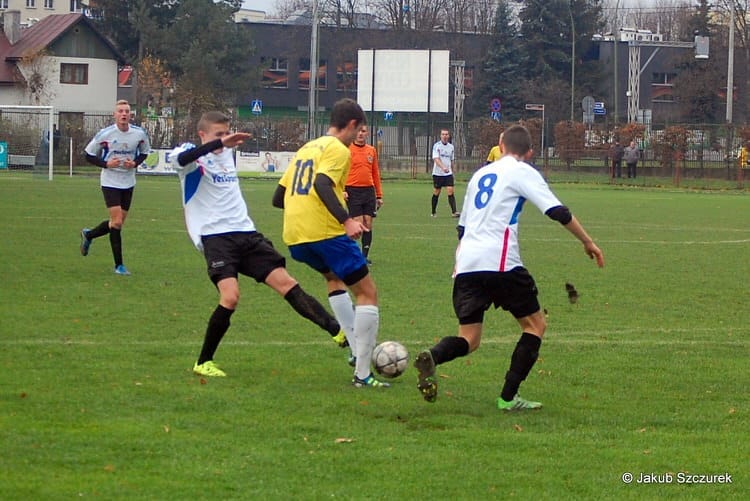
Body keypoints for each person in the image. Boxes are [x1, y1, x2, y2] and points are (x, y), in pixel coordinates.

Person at [414, 124, 605, 410]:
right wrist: (588, 241)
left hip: (466, 263)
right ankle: (508, 398)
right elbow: (557, 211)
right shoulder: (522, 171)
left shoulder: (480, 175)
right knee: (535, 324)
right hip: (501, 262)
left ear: (501, 146)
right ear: (528, 153)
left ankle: (433, 355)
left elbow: (462, 226)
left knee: (469, 338)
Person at [169, 111, 347, 378]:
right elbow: (182, 159)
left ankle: (337, 331)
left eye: (227, 133)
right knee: (230, 296)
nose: (225, 139)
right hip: (216, 238)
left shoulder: (226, 155)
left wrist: (222, 146)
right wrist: (219, 144)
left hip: (246, 234)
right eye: (218, 134)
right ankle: (204, 361)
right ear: (202, 135)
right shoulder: (191, 156)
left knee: (286, 283)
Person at [272, 98, 389, 388]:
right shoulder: (338, 149)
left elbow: (278, 198)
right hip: (325, 232)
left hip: (296, 236)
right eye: (358, 130)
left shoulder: (307, 148)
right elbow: (322, 183)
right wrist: (346, 220)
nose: (357, 137)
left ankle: (352, 346)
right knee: (367, 293)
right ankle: (363, 373)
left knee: (334, 278)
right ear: (352, 125)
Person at [79, 100, 151, 276]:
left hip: (128, 182)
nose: (124, 114)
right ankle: (119, 266)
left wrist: (134, 163)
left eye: (127, 111)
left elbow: (145, 152)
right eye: (120, 111)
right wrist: (106, 164)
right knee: (117, 222)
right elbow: (87, 155)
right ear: (115, 115)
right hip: (110, 181)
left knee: (116, 224)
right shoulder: (106, 134)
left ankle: (89, 235)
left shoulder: (139, 133)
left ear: (130, 115)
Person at [346, 124, 383, 264]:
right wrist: (342, 190)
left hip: (368, 191)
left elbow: (375, 173)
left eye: (363, 131)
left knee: (368, 223)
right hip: (352, 190)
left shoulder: (371, 150)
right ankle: (351, 254)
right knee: (358, 223)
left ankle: (364, 256)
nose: (360, 134)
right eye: (358, 131)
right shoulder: (347, 149)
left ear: (367, 134)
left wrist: (379, 195)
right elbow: (342, 171)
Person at [430, 128, 459, 218]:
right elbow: (436, 159)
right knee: (436, 192)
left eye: (446, 134)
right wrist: (443, 167)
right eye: (443, 134)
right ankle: (433, 212)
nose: (445, 136)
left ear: (448, 136)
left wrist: (453, 171)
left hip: (448, 174)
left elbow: (452, 160)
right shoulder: (436, 146)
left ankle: (454, 212)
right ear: (440, 136)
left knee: (450, 190)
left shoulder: (451, 147)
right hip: (438, 173)